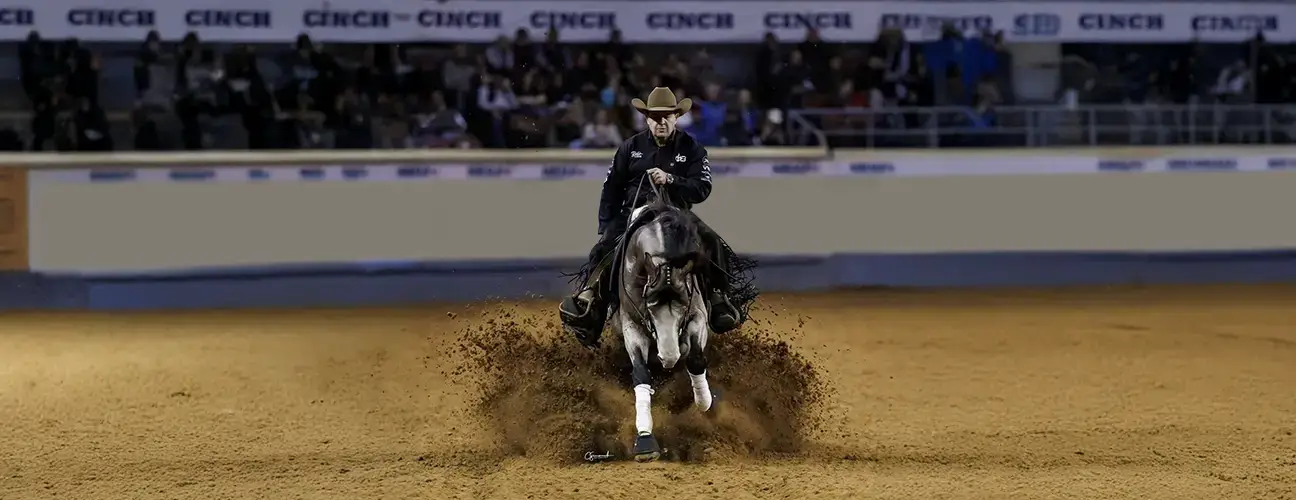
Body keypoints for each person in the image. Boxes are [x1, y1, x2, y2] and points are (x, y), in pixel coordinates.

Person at [559, 87, 743, 347]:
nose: (661, 121)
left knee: (712, 241)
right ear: (646, 119)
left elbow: (702, 187)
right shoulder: (630, 147)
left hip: (677, 213)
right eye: (655, 116)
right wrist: (606, 226)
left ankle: (717, 298)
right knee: (603, 248)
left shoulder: (692, 148)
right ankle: (591, 304)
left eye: (667, 116)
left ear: (676, 117)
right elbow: (611, 188)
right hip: (633, 213)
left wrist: (671, 179)